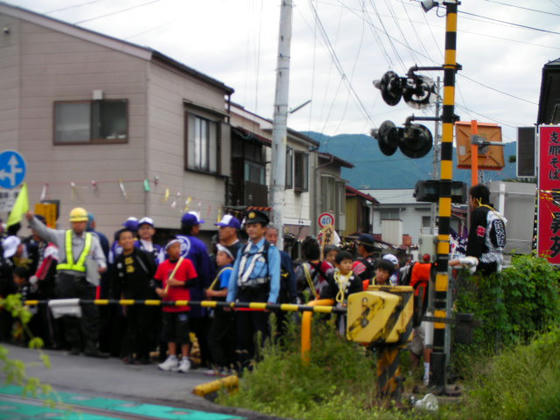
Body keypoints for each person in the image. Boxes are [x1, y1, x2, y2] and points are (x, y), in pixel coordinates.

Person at [26, 208, 108, 357]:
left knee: (91, 314)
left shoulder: (93, 239)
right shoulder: (62, 236)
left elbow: (101, 258)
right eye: (75, 222)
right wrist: (32, 220)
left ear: (86, 223)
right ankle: (74, 345)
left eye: (81, 222)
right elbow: (44, 231)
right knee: (69, 312)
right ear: (71, 223)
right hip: (66, 279)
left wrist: (102, 266)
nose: (78, 225)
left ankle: (91, 347)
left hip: (88, 278)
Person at [226, 210, 280, 371]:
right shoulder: (243, 249)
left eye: (255, 226)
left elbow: (275, 276)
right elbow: (235, 274)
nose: (251, 229)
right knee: (242, 331)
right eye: (249, 226)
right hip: (244, 293)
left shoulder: (270, 250)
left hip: (260, 293)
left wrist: (272, 299)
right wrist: (230, 297)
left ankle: (261, 365)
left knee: (260, 331)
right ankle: (243, 364)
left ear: (264, 229)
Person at [113, 228, 157, 364]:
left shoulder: (142, 255)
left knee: (144, 325)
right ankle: (131, 353)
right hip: (129, 297)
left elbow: (154, 273)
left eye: (129, 237)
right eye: (123, 238)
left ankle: (144, 355)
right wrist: (122, 299)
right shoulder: (119, 259)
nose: (126, 240)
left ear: (134, 240)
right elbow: (118, 282)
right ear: (119, 243)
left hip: (146, 295)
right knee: (132, 326)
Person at [177, 211, 213, 368]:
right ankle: (205, 359)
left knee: (177, 328)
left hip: (173, 294)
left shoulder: (172, 243)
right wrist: (207, 288)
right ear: (193, 228)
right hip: (195, 293)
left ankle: (177, 356)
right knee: (200, 330)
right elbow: (205, 271)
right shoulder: (198, 245)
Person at [156, 239, 198, 373]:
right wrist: (159, 291)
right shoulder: (162, 265)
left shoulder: (186, 263)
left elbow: (193, 281)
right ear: (167, 251)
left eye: (179, 247)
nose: (177, 250)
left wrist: (178, 283)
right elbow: (155, 282)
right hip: (167, 304)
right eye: (174, 247)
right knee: (169, 332)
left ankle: (185, 358)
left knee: (183, 333)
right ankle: (172, 357)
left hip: (182, 304)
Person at [205, 244, 235, 375]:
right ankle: (226, 365)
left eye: (221, 255)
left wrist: (211, 293)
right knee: (224, 337)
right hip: (222, 309)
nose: (218, 257)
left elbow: (226, 292)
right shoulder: (224, 270)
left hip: (223, 308)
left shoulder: (226, 271)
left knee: (214, 338)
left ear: (230, 258)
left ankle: (221, 365)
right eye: (218, 254)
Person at [320, 250, 362, 335]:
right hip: (336, 306)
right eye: (345, 263)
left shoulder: (356, 279)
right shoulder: (333, 277)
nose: (348, 265)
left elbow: (358, 294)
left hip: (350, 308)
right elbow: (329, 291)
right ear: (337, 265)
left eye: (350, 263)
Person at [265, 225, 297, 338]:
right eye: (269, 236)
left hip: (282, 298)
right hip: (263, 297)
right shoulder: (259, 255)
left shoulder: (284, 256)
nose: (273, 239)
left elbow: (291, 278)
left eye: (275, 236)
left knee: (281, 329)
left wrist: (293, 298)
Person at [408, 253, 433, 386]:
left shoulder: (418, 266)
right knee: (426, 343)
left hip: (418, 311)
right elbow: (438, 269)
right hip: (421, 311)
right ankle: (426, 376)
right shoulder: (419, 266)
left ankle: (414, 375)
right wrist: (457, 262)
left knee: (416, 345)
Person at [295, 237, 331, 301]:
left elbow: (295, 284)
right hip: (326, 302)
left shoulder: (302, 268)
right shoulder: (328, 266)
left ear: (304, 252)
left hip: (308, 302)